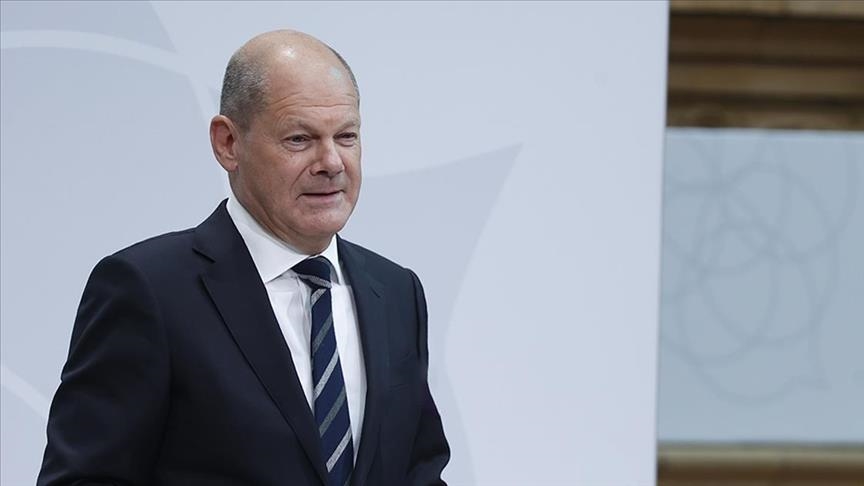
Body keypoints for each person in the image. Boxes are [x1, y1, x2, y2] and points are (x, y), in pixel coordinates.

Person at [37, 29, 449, 486]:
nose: (332, 162)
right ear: (228, 143)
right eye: (299, 139)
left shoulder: (396, 291)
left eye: (346, 136)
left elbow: (420, 473)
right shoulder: (148, 290)